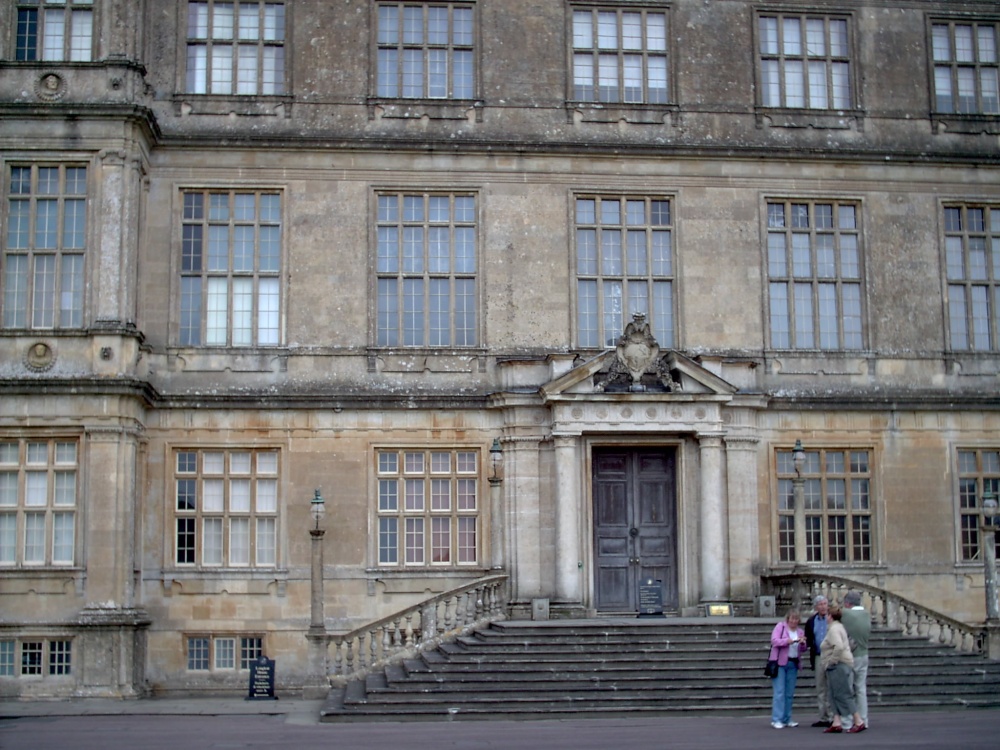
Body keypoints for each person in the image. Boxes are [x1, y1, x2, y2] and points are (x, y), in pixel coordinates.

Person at [819, 605, 866, 733]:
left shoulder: (834, 629)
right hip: (839, 664)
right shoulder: (837, 627)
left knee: (843, 694)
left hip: (839, 665)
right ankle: (836, 721)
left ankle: (858, 720)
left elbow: (838, 646)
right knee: (833, 694)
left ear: (830, 616)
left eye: (827, 615)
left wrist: (831, 661)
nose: (826, 617)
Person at [768, 609, 805, 729]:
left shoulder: (800, 632)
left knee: (789, 693)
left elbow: (803, 650)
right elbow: (774, 641)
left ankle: (787, 718)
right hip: (780, 663)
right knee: (779, 692)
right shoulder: (781, 627)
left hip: (793, 663)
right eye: (792, 618)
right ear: (788, 619)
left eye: (796, 619)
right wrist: (786, 641)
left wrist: (803, 643)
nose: (794, 621)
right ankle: (776, 719)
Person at [841, 590, 871, 728]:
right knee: (861, 689)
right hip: (864, 654)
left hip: (851, 656)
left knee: (848, 689)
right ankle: (863, 719)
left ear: (848, 603)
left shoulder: (846, 614)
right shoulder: (866, 614)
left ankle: (847, 720)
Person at [804, 594, 832, 727]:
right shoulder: (811, 621)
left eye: (825, 604)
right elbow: (809, 639)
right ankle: (823, 717)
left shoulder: (833, 619)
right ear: (816, 607)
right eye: (820, 604)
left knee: (832, 687)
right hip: (818, 655)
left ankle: (834, 716)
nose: (823, 607)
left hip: (832, 655)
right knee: (820, 687)